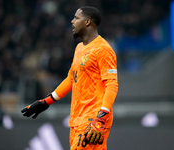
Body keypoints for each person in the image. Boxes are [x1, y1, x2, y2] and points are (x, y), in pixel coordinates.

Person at [21, 6, 118, 150]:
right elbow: (71, 79)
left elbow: (112, 84)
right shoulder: (79, 48)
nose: (72, 22)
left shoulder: (103, 49)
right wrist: (46, 101)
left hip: (92, 120)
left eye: (76, 18)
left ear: (87, 22)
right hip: (77, 120)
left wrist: (100, 117)